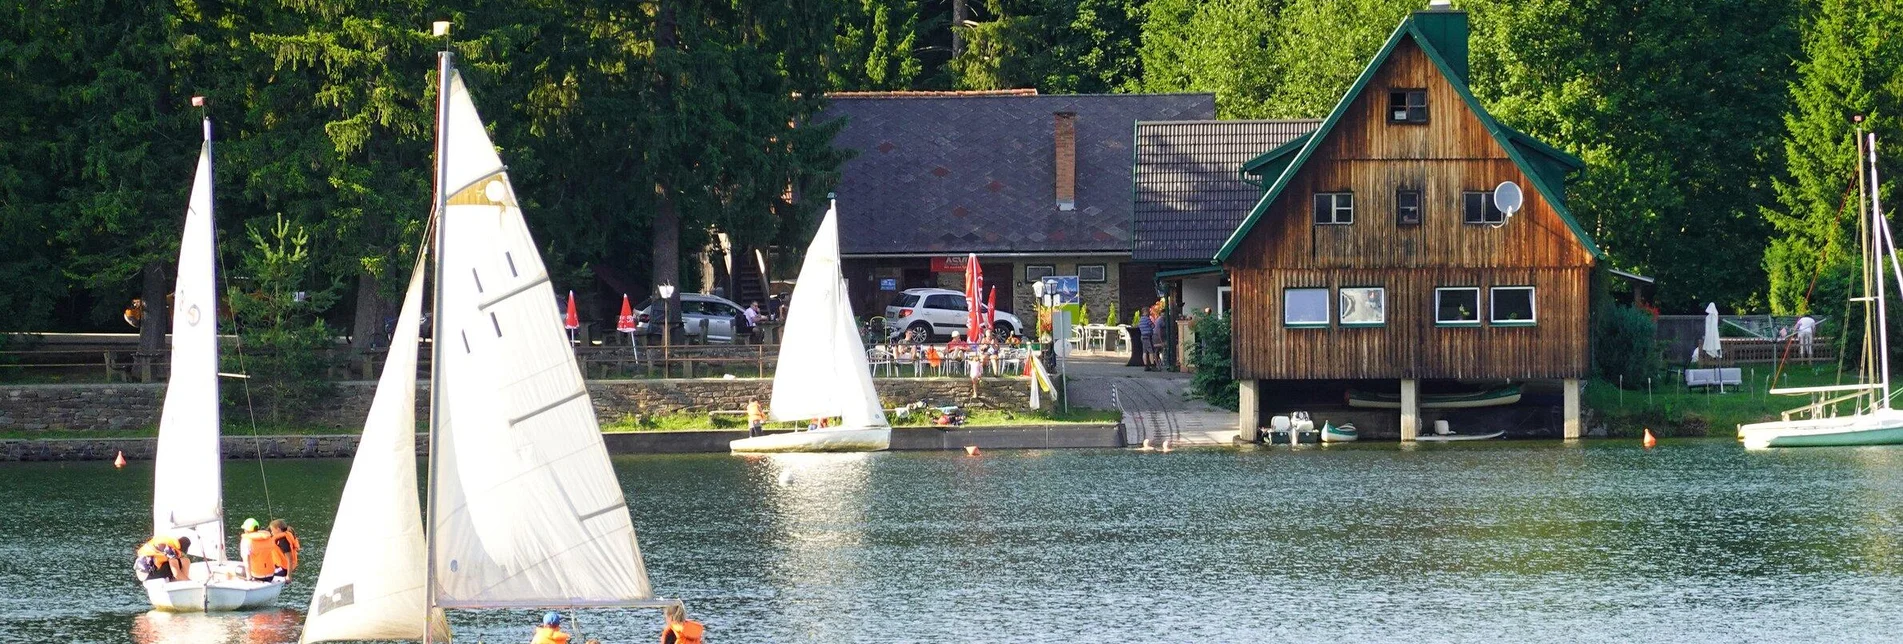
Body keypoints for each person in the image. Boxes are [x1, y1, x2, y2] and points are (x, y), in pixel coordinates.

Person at [239, 518, 287, 583]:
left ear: (246, 530)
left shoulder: (246, 540)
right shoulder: (268, 538)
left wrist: (249, 579)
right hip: (271, 575)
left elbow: (246, 561)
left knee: (238, 569)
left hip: (257, 576)